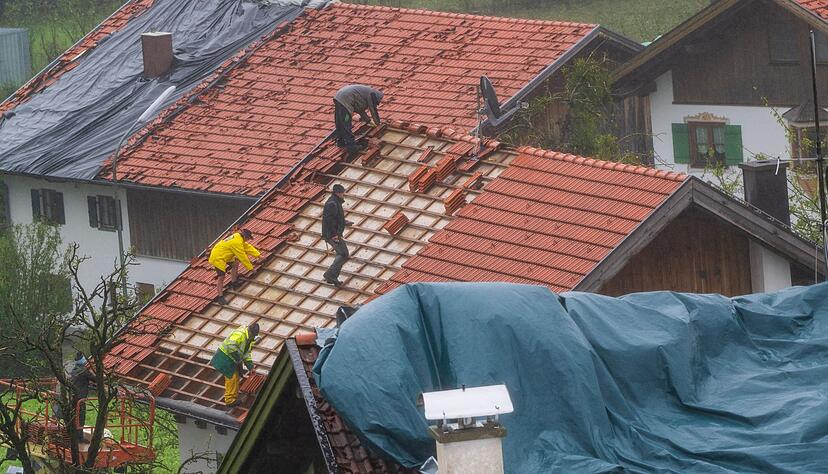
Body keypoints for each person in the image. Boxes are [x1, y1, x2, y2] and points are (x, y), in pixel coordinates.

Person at [210, 322, 259, 408]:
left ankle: (233, 398)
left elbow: (246, 353)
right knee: (231, 377)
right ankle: (229, 400)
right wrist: (238, 358)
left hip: (232, 359)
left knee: (236, 377)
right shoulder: (240, 334)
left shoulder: (249, 339)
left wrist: (250, 367)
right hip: (225, 357)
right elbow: (230, 345)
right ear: (250, 332)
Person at [209, 229, 260, 305]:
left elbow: (247, 247)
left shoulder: (238, 237)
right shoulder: (236, 242)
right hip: (217, 257)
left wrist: (259, 255)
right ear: (245, 237)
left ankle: (234, 282)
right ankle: (220, 297)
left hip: (225, 254)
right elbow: (242, 257)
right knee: (221, 276)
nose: (248, 240)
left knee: (235, 263)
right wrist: (251, 269)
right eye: (248, 238)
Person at [333, 84, 384, 153]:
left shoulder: (364, 94)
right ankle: (352, 147)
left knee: (339, 122)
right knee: (346, 124)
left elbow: (360, 110)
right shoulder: (372, 95)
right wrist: (378, 124)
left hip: (339, 97)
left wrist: (368, 121)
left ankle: (341, 142)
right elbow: (373, 110)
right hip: (345, 99)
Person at [322, 184, 353, 286]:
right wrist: (334, 235)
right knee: (343, 254)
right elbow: (329, 220)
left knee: (342, 253)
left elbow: (336, 217)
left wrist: (344, 222)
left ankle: (332, 277)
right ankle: (330, 275)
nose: (343, 194)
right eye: (342, 192)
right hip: (332, 234)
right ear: (338, 193)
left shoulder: (335, 201)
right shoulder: (332, 203)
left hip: (333, 233)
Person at [68, 352, 93, 437]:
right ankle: (79, 437)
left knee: (74, 417)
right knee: (81, 418)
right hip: (80, 398)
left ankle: (73, 435)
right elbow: (95, 379)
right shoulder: (84, 370)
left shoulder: (74, 369)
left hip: (73, 397)